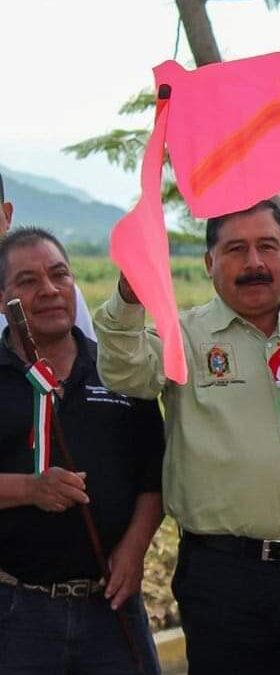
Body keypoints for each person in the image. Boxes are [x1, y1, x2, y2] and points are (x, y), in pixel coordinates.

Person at [93, 198, 280, 675]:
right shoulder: (182, 339)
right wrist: (130, 298)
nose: (254, 263)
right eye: (235, 249)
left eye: (267, 247)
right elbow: (126, 374)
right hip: (222, 577)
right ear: (210, 262)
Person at [0, 228, 164, 674]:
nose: (49, 291)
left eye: (59, 275)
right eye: (28, 281)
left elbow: (155, 475)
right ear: (2, 299)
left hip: (112, 607)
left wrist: (133, 550)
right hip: (16, 613)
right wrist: (30, 489)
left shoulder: (119, 368)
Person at [0, 169, 96, 339]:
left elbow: (90, 360)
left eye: (28, 281)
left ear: (7, 214)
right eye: (27, 281)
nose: (49, 291)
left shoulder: (63, 294)